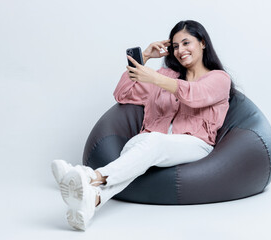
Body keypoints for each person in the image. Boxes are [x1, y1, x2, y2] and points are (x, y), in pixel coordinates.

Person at [51, 20, 234, 231]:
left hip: (194, 144)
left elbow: (194, 96)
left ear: (202, 43)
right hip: (148, 141)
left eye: (186, 43)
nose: (180, 50)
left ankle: (91, 176)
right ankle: (92, 201)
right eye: (175, 46)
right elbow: (123, 93)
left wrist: (155, 78)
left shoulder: (219, 78)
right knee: (140, 144)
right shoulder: (165, 77)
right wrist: (144, 57)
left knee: (152, 142)